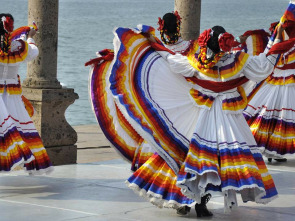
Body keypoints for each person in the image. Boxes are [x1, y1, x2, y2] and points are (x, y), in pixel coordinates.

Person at [109, 21, 287, 213]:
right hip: (228, 119)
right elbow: (264, 66)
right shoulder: (238, 61)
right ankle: (201, 204)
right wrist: (277, 40)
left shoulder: (197, 62)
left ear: (206, 44)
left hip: (200, 113)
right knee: (220, 160)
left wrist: (154, 44)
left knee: (188, 155)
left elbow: (171, 60)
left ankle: (184, 200)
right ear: (225, 43)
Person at [0, 13, 53, 174]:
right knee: (21, 128)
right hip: (13, 96)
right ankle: (31, 162)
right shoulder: (19, 46)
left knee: (6, 131)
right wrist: (29, 36)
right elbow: (34, 52)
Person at [244, 21, 295, 163]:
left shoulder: (275, 45)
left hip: (274, 81)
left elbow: (267, 57)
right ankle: (274, 151)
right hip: (289, 81)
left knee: (269, 116)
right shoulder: (291, 44)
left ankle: (271, 151)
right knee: (282, 118)